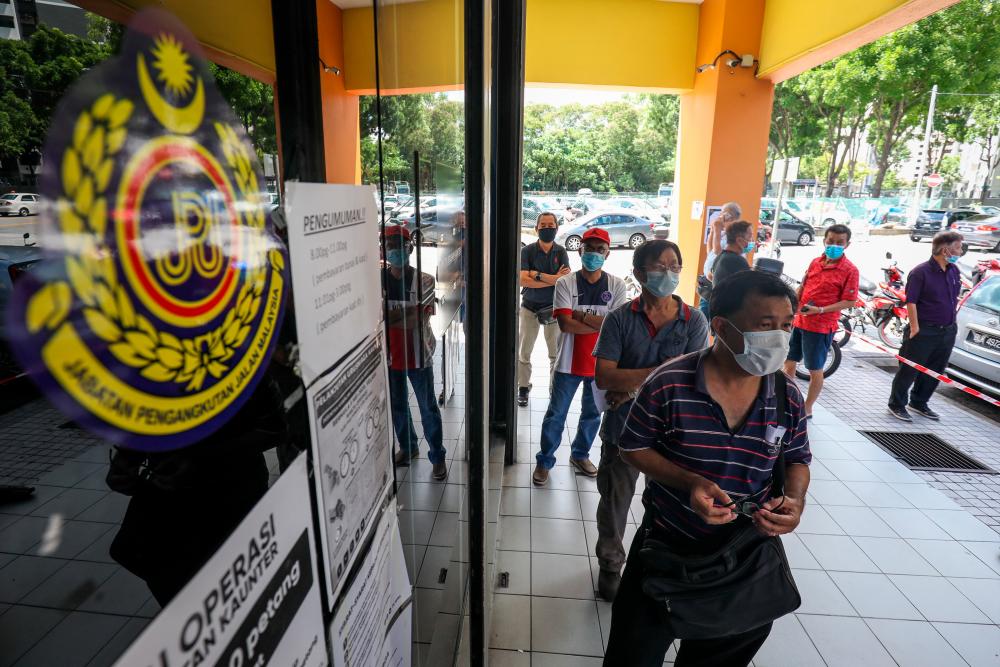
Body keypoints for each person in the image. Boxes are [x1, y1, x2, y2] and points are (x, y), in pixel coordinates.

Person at [603, 270, 811, 666]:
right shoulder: (670, 383)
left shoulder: (786, 394)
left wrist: (795, 500)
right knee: (632, 656)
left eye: (786, 326)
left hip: (745, 558)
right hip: (665, 549)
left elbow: (798, 456)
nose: (780, 339)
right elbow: (632, 446)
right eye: (765, 326)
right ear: (721, 326)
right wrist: (689, 481)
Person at [592, 240, 709, 601]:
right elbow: (605, 377)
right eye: (660, 266)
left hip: (675, 431)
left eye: (675, 265)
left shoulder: (694, 321)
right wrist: (659, 374)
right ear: (640, 273)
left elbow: (694, 380)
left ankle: (657, 564)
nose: (669, 272)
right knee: (615, 499)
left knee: (668, 504)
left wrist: (632, 385)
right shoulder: (619, 319)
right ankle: (611, 564)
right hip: (624, 428)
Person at [532, 227, 627, 485]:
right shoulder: (565, 283)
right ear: (579, 250)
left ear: (607, 253)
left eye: (600, 249)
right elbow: (565, 324)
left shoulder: (617, 286)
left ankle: (580, 454)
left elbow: (616, 327)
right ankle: (544, 461)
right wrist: (601, 322)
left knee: (592, 414)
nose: (593, 254)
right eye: (589, 248)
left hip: (602, 366)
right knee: (556, 414)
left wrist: (582, 316)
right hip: (567, 363)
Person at [384, 225, 447, 480]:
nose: (396, 251)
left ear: (410, 248)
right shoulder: (376, 279)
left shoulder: (424, 280)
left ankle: (438, 456)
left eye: (400, 246)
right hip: (389, 357)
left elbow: (415, 321)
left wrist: (390, 317)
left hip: (419, 356)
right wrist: (406, 312)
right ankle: (408, 447)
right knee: (398, 406)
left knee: (427, 407)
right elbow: (376, 319)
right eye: (390, 246)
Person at [782, 224, 859, 418]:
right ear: (824, 240)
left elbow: (850, 300)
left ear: (847, 245)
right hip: (800, 322)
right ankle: (788, 399)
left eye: (839, 243)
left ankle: (807, 407)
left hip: (821, 327)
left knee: (815, 369)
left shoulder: (850, 270)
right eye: (830, 241)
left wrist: (821, 310)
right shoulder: (815, 262)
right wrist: (793, 309)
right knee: (789, 362)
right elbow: (804, 286)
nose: (834, 245)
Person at [888, 230, 964, 422]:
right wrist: (915, 328)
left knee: (935, 370)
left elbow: (953, 298)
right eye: (958, 247)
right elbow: (911, 302)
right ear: (945, 250)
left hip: (946, 330)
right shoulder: (920, 272)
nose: (961, 251)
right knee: (909, 369)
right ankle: (897, 404)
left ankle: (919, 402)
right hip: (923, 329)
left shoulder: (954, 271)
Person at [518, 212, 571, 407]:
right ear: (536, 228)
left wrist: (536, 275)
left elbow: (563, 281)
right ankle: (523, 387)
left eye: (551, 224)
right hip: (529, 307)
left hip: (553, 309)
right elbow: (522, 280)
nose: (547, 228)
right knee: (524, 351)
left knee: (555, 354)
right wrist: (552, 279)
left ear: (557, 228)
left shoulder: (561, 252)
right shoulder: (527, 251)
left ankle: (553, 389)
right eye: (543, 224)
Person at [699, 201, 742, 319]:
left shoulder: (736, 236)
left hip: (720, 286)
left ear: (730, 217)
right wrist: (713, 231)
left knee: (713, 318)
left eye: (724, 214)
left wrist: (717, 230)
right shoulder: (724, 234)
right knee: (702, 317)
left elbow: (719, 253)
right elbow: (710, 250)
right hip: (709, 286)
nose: (721, 217)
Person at [710, 220, 754, 288]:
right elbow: (749, 288)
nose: (752, 241)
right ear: (739, 240)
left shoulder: (721, 256)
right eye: (750, 237)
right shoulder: (736, 261)